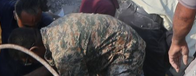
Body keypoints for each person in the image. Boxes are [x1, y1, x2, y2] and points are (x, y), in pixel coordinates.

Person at [10, 14, 145, 76]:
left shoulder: (64, 53)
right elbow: (52, 68)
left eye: (29, 61)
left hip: (127, 49)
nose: (32, 63)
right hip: (114, 42)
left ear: (33, 50)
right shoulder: (50, 31)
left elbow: (63, 64)